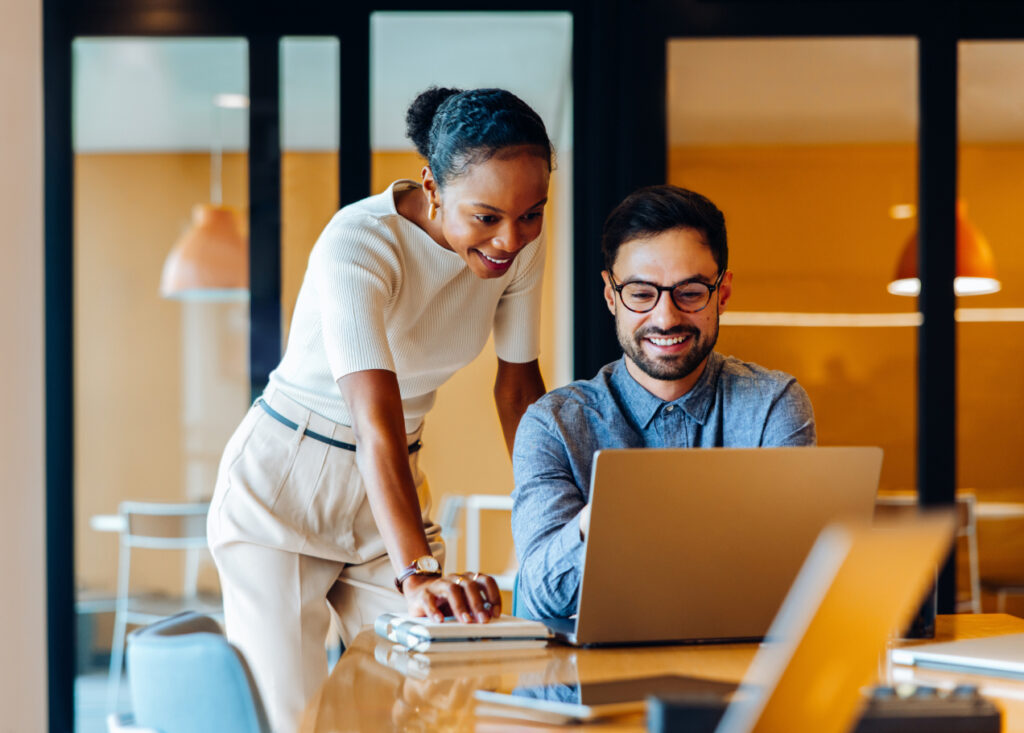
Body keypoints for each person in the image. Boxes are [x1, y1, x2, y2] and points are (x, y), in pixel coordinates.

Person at [207, 87, 552, 732]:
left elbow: (518, 390)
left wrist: (554, 514)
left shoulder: (516, 245)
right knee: (294, 719)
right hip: (284, 487)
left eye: (532, 213)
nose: (512, 238)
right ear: (432, 185)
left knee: (433, 700)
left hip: (389, 487)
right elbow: (375, 419)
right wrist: (417, 570)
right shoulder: (360, 242)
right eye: (487, 218)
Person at [511, 184, 816, 620]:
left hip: (736, 676)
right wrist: (609, 516)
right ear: (611, 296)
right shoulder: (554, 424)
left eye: (690, 292)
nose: (666, 317)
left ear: (722, 294)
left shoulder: (773, 406)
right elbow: (544, 595)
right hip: (593, 681)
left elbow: (796, 580)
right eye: (640, 294)